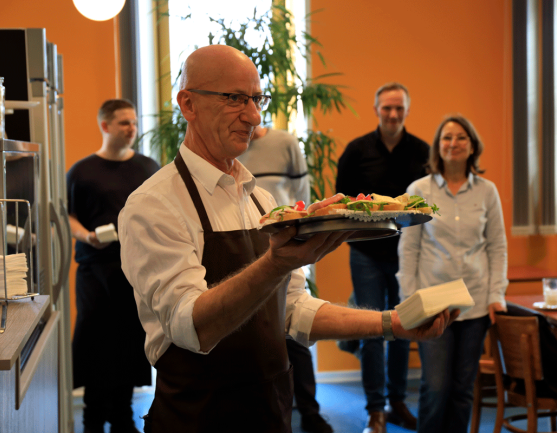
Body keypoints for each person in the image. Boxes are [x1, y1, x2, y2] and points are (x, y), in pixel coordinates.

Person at [118, 45, 457, 433]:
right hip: (197, 416)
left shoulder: (261, 199)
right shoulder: (154, 205)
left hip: (270, 412)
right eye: (235, 99)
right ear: (188, 104)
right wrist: (277, 262)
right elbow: (191, 328)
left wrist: (392, 323)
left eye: (256, 99)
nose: (253, 116)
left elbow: (294, 310)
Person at [396, 114, 508, 433]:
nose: (453, 143)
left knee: (462, 389)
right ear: (437, 146)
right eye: (447, 137)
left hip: (476, 302)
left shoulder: (487, 192)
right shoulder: (418, 190)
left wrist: (497, 295)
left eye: (461, 137)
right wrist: (409, 301)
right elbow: (409, 249)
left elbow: (497, 247)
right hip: (431, 303)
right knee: (435, 386)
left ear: (472, 146)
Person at [335, 82, 430, 433]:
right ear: (376, 109)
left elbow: (428, 207)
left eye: (399, 109)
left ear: (406, 110)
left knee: (404, 329)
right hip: (366, 254)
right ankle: (375, 409)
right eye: (387, 108)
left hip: (409, 255)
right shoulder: (356, 151)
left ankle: (397, 402)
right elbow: (342, 204)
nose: (393, 114)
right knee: (372, 329)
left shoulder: (423, 151)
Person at [67, 99, 160, 433]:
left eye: (133, 122)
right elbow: (68, 216)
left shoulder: (149, 168)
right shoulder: (81, 171)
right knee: (95, 340)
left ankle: (122, 417)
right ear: (105, 126)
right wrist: (86, 236)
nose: (131, 128)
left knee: (129, 341)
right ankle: (93, 419)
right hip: (94, 269)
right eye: (123, 123)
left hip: (136, 270)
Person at [238, 125, 333, 433]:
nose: (248, 113)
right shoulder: (228, 146)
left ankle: (309, 411)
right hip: (241, 247)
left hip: (284, 242)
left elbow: (302, 197)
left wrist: (298, 234)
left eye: (254, 99)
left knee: (296, 331)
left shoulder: (286, 143)